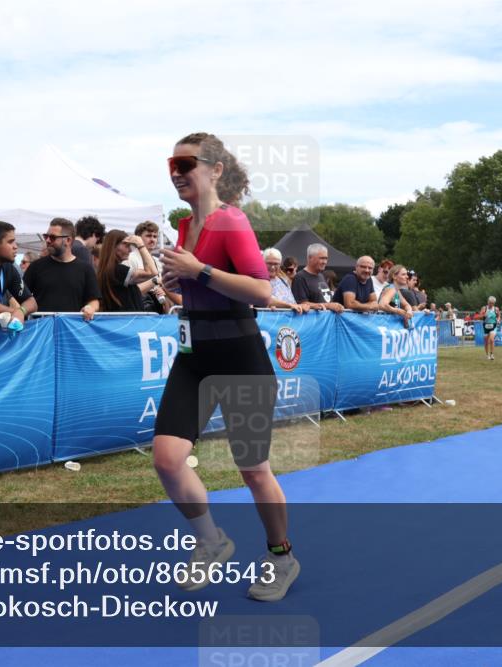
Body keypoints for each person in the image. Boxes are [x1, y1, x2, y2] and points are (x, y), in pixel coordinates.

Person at [156, 131, 298, 603]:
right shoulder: (182, 225)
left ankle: (281, 557)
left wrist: (199, 272)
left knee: (253, 469)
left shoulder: (232, 221)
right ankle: (212, 541)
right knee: (168, 460)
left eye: (186, 163)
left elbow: (262, 291)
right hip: (194, 356)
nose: (176, 173)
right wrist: (175, 281)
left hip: (239, 356)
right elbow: (195, 287)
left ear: (215, 170)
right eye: (171, 165)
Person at [22, 218, 101, 321]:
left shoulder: (85, 269)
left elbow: (94, 300)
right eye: (46, 236)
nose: (47, 240)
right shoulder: (36, 266)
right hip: (42, 331)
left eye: (53, 237)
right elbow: (19, 296)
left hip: (72, 330)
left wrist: (90, 308)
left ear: (68, 240)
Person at [97, 230, 157, 312]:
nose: (130, 250)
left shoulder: (108, 270)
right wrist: (140, 245)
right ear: (113, 246)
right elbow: (152, 272)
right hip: (127, 321)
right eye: (126, 246)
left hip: (121, 321)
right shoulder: (117, 270)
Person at [125, 220, 179, 311]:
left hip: (157, 309)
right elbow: (128, 292)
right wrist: (154, 284)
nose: (152, 239)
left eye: (155, 236)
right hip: (138, 309)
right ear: (138, 238)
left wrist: (163, 292)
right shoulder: (130, 258)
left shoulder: (158, 261)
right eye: (148, 236)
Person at [291, 244, 344, 313]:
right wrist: (328, 306)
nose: (324, 262)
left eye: (326, 258)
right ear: (310, 258)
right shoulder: (300, 277)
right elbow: (301, 304)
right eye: (321, 258)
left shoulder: (321, 276)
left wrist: (336, 306)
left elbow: (326, 300)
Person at [264, 247, 306, 313]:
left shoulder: (283, 280)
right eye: (269, 263)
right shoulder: (259, 280)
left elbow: (292, 302)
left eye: (275, 264)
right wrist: (289, 305)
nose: (272, 267)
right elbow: (266, 299)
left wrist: (302, 306)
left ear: (280, 265)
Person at [478, 295, 500, 360]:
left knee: (492, 339)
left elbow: (499, 316)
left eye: (492, 303)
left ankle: (492, 354)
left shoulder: (496, 309)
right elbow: (480, 316)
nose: (490, 304)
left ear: (494, 303)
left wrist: (498, 320)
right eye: (490, 303)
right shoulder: (484, 308)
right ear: (488, 302)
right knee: (486, 341)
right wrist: (484, 315)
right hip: (486, 326)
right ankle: (487, 355)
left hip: (494, 325)